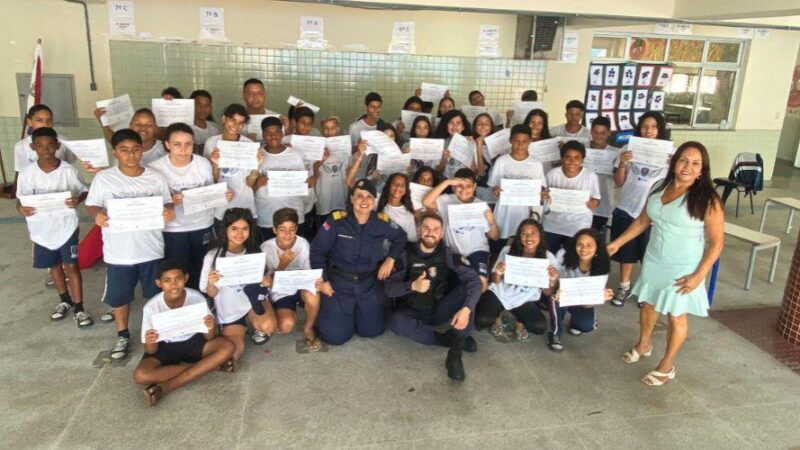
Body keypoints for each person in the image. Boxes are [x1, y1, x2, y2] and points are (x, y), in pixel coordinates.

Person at [608, 141, 724, 386]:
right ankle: (644, 343)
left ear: (702, 170)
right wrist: (617, 243)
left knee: (675, 316)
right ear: (674, 162)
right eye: (683, 160)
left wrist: (698, 275)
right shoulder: (660, 185)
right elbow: (643, 221)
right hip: (655, 259)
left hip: (683, 267)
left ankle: (667, 364)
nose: (688, 166)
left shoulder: (708, 199)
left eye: (695, 163)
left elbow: (716, 243)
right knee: (648, 306)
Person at [85, 129, 175, 360]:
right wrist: (97, 215)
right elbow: (92, 205)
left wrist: (168, 211)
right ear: (115, 152)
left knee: (155, 295)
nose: (131, 155)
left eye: (135, 149)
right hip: (119, 252)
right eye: (124, 151)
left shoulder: (154, 177)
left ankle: (159, 331)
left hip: (151, 248)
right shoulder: (104, 178)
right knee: (120, 298)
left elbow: (167, 202)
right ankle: (122, 333)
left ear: (142, 150)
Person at [310, 178, 407, 345]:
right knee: (335, 337)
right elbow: (317, 250)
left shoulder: (381, 221)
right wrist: (323, 280)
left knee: (372, 331)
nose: (364, 201)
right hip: (339, 285)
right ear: (352, 199)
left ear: (374, 200)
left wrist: (390, 259)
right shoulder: (337, 220)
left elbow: (400, 237)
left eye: (369, 196)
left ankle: (355, 314)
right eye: (359, 196)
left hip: (368, 284)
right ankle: (339, 315)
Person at [386, 212, 481, 381]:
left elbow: (474, 281)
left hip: (439, 309)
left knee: (468, 293)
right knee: (396, 322)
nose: (431, 232)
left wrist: (466, 309)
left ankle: (454, 355)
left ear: (442, 233)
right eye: (427, 228)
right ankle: (447, 339)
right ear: (418, 230)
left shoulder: (448, 254)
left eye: (436, 229)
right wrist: (412, 286)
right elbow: (388, 289)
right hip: (412, 310)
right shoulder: (404, 254)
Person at [16, 127, 92, 327]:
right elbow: (20, 200)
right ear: (33, 148)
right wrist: (20, 209)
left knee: (72, 266)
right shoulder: (27, 174)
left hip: (66, 226)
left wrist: (78, 199)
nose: (46, 150)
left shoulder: (68, 171)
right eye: (40, 146)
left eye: (50, 145)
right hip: (41, 228)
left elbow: (84, 191)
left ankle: (79, 308)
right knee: (54, 265)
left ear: (57, 146)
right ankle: (64, 300)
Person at [134, 260, 235, 406]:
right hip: (166, 346)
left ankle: (169, 386)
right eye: (167, 280)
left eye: (178, 279)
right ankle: (212, 366)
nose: (173, 284)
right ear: (158, 283)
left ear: (186, 279)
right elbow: (151, 350)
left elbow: (209, 337)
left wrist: (210, 326)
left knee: (228, 346)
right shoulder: (151, 307)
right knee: (141, 376)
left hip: (193, 341)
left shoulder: (196, 298)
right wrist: (150, 340)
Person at [149, 123, 226, 290]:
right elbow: (150, 201)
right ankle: (184, 299)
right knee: (178, 267)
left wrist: (221, 194)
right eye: (177, 144)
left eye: (188, 144)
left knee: (202, 263)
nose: (183, 149)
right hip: (173, 227)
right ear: (167, 145)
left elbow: (210, 191)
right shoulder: (156, 168)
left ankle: (203, 296)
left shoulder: (203, 163)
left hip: (202, 223)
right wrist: (169, 202)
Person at [609, 111, 670, 307]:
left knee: (648, 255)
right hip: (626, 208)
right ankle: (624, 287)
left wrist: (673, 165)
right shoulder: (628, 149)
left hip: (653, 214)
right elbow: (618, 182)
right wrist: (623, 163)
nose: (648, 130)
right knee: (625, 252)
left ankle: (645, 289)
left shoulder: (671, 154)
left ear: (660, 129)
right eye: (644, 126)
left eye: (653, 126)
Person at [200, 208, 275, 354]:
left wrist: (267, 281)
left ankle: (254, 323)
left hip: (253, 304)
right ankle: (239, 327)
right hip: (230, 310)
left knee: (268, 326)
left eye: (245, 229)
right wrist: (211, 282)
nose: (240, 234)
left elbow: (265, 283)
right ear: (225, 230)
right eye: (234, 228)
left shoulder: (254, 251)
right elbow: (211, 293)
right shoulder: (213, 256)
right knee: (233, 352)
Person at [475, 219, 556, 341]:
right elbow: (496, 281)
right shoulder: (508, 250)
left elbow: (548, 293)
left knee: (539, 327)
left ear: (540, 235)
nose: (528, 237)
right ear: (519, 236)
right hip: (500, 293)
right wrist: (498, 272)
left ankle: (520, 321)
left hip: (525, 298)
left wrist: (552, 280)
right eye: (524, 233)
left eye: (533, 233)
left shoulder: (548, 256)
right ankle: (498, 316)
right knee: (482, 321)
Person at [422, 168, 499, 292]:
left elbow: (494, 236)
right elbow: (426, 201)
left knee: (481, 285)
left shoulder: (481, 205)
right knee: (455, 287)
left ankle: (471, 309)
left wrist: (492, 222)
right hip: (453, 252)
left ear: (474, 187)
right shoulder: (446, 200)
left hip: (477, 250)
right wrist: (446, 182)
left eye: (468, 186)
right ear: (453, 186)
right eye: (459, 186)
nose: (463, 189)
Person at [261, 208, 325, 351]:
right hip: (279, 289)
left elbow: (307, 272)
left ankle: (308, 328)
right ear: (274, 230)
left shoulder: (302, 244)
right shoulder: (266, 247)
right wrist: (283, 263)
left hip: (299, 285)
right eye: (283, 230)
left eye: (292, 229)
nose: (288, 234)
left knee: (313, 295)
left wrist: (315, 281)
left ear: (297, 229)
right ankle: (285, 312)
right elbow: (267, 283)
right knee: (286, 326)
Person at [546, 228, 613, 352]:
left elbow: (589, 304)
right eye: (580, 244)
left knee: (586, 326)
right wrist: (556, 286)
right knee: (554, 298)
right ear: (574, 245)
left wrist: (600, 297)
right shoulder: (563, 254)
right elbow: (554, 284)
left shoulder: (603, 263)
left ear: (597, 247)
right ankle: (555, 333)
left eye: (589, 245)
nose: (584, 249)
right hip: (563, 295)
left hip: (584, 300)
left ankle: (575, 323)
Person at [487, 124, 547, 249]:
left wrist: (543, 193)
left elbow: (541, 188)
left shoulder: (536, 164)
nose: (520, 145)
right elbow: (493, 188)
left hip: (525, 212)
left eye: (524, 141)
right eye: (516, 141)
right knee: (500, 244)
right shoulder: (502, 161)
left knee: (522, 243)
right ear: (510, 141)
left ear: (530, 141)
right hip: (505, 211)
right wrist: (496, 190)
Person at [205, 104, 260, 228]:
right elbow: (211, 180)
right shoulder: (211, 143)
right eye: (233, 120)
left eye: (241, 122)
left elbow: (250, 184)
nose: (236, 125)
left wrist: (256, 165)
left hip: (245, 205)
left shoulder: (249, 145)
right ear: (224, 119)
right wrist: (215, 164)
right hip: (221, 207)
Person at [254, 116, 309, 240]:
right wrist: (257, 183)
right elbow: (250, 186)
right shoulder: (257, 155)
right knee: (269, 251)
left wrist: (308, 181)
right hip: (267, 214)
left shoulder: (295, 154)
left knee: (295, 250)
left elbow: (303, 182)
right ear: (263, 134)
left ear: (282, 132)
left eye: (276, 132)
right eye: (268, 133)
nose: (273, 136)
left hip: (293, 212)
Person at [542, 140, 601, 254]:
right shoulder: (553, 174)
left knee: (573, 259)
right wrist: (545, 195)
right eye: (568, 157)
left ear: (582, 160)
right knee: (548, 256)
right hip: (553, 223)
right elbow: (543, 194)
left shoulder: (590, 176)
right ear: (562, 158)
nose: (572, 161)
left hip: (579, 224)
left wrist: (594, 203)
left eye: (577, 157)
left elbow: (597, 199)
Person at [287, 106, 325, 240]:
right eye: (302, 123)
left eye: (309, 124)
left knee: (305, 233)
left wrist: (315, 176)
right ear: (294, 122)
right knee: (289, 231)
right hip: (288, 196)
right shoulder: (285, 141)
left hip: (308, 195)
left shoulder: (314, 143)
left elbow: (315, 167)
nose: (306, 127)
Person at [14, 104, 77, 174]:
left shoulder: (65, 141)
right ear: (29, 121)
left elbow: (69, 165)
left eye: (49, 120)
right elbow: (22, 173)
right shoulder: (21, 146)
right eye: (39, 120)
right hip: (35, 184)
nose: (45, 124)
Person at [93, 108, 166, 167]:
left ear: (155, 128)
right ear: (130, 126)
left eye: (149, 125)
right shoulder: (120, 144)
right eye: (138, 124)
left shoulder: (165, 150)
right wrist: (102, 121)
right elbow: (112, 138)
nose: (143, 128)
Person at [586, 116, 620, 238]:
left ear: (609, 133)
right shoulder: (583, 150)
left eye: (603, 133)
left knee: (598, 240)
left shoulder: (616, 153)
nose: (599, 136)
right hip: (583, 202)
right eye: (595, 132)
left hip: (604, 203)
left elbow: (619, 179)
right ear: (591, 131)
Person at [315, 116, 349, 222]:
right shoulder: (316, 146)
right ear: (321, 129)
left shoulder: (345, 146)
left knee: (340, 227)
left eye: (333, 128)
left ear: (338, 129)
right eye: (326, 128)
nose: (329, 131)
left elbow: (350, 171)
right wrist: (321, 159)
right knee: (325, 227)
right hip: (324, 197)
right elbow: (313, 172)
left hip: (340, 196)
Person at [436, 110, 483, 180]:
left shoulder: (471, 143)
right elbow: (437, 172)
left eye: (458, 123)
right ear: (446, 125)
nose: (454, 126)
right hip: (447, 183)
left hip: (465, 184)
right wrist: (444, 159)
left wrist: (468, 151)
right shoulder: (441, 143)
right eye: (451, 122)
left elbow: (475, 172)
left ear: (463, 127)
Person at [377, 173, 418, 242]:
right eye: (395, 184)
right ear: (389, 185)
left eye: (402, 185)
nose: (398, 187)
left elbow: (412, 239)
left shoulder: (408, 215)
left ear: (406, 190)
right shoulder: (375, 200)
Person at [189, 90, 219, 154]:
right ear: (191, 106)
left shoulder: (214, 128)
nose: (203, 109)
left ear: (211, 107)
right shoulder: (185, 128)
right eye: (199, 105)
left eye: (207, 105)